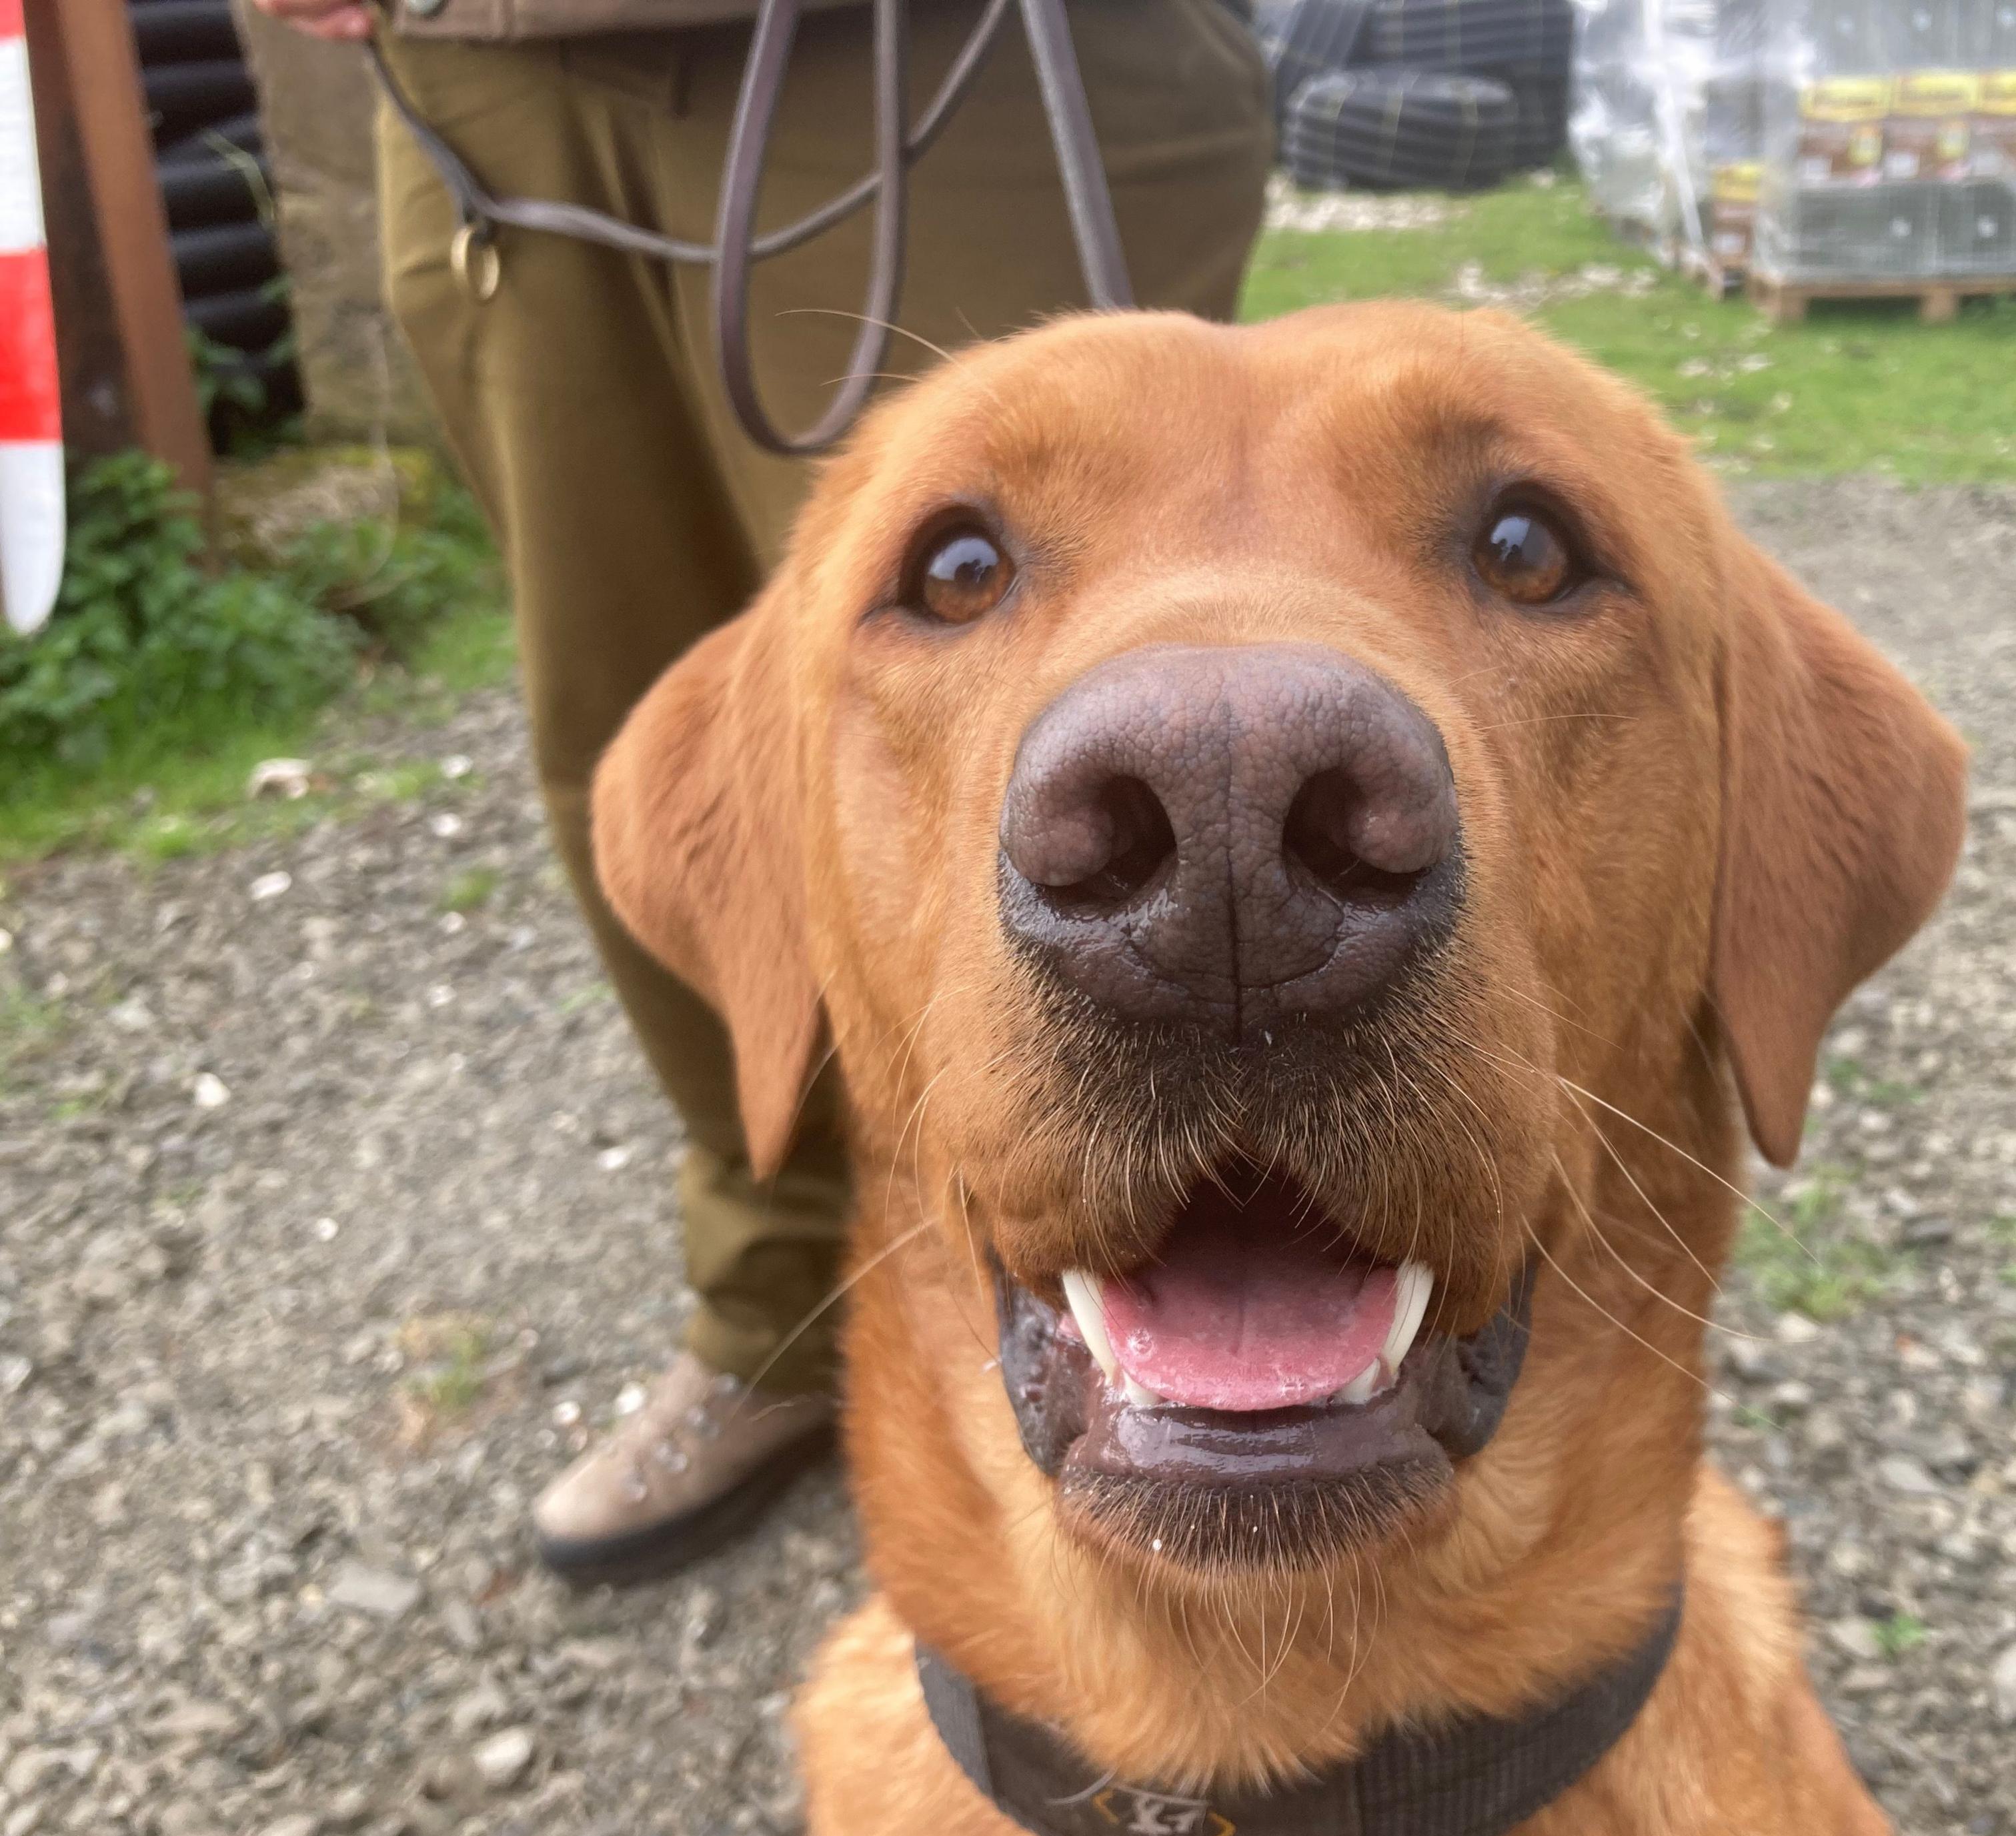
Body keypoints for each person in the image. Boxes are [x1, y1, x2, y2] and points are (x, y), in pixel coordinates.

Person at [251, 0, 1272, 1583]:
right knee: (646, 728)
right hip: (483, 66)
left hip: (945, 55)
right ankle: (777, 1307)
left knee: (1091, 727)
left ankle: (1234, 1326)